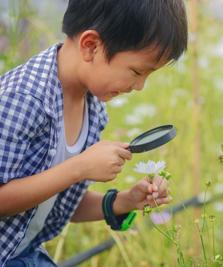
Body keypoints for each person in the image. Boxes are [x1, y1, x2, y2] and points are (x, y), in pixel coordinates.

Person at [0, 0, 188, 266]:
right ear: (91, 46)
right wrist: (79, 167)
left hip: (24, 253)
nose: (140, 86)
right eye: (136, 71)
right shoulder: (24, 99)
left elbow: (59, 201)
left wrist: (123, 201)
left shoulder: (94, 109)